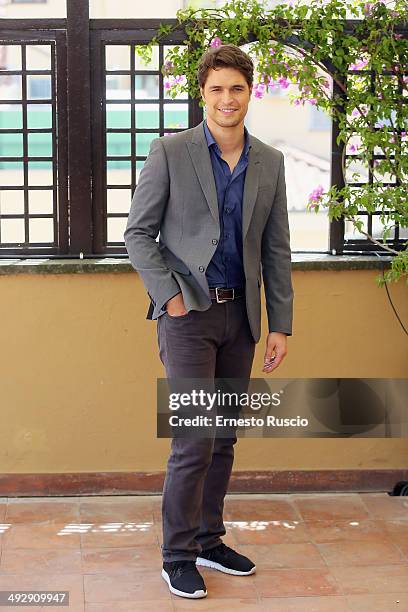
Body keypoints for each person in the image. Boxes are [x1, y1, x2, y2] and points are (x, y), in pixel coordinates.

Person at [124, 43, 293, 600]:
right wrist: (171, 299)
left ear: (251, 93)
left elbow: (276, 248)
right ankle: (176, 554)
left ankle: (207, 539)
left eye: (237, 89)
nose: (227, 99)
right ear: (203, 94)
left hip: (241, 319)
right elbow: (138, 235)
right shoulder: (170, 152)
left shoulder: (269, 161)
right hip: (189, 316)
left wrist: (280, 324)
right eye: (217, 89)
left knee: (223, 438)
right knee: (193, 438)